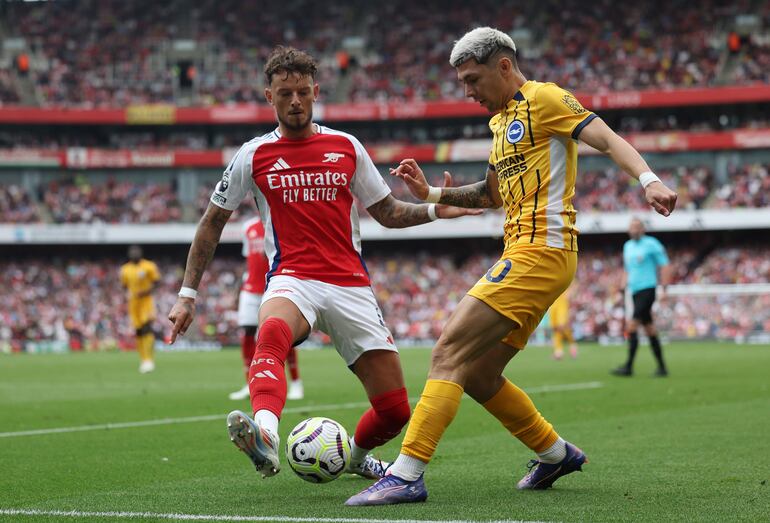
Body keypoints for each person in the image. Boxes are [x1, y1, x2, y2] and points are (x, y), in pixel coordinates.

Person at [346, 27, 677, 506]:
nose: (467, 92)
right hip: (525, 252)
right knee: (478, 372)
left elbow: (605, 138)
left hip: (540, 249)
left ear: (504, 66)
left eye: (472, 79)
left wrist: (649, 180)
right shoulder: (502, 124)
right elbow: (491, 194)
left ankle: (406, 473)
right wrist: (432, 195)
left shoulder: (545, 98)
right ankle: (554, 453)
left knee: (448, 352)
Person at [167, 46, 478, 482]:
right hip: (293, 278)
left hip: (350, 283)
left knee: (394, 410)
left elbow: (387, 212)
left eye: (301, 92)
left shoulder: (346, 146)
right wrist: (187, 295)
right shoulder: (252, 155)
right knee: (271, 332)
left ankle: (353, 459)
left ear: (315, 92)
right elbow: (211, 222)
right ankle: (267, 437)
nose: (294, 101)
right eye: (284, 93)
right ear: (268, 97)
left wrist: (432, 210)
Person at [229, 216, 304, 401]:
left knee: (281, 333)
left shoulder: (282, 219)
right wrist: (238, 290)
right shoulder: (248, 226)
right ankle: (249, 383)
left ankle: (295, 382)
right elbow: (249, 261)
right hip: (250, 289)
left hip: (274, 286)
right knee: (247, 334)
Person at [612, 218, 671, 377]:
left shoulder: (652, 244)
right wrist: (622, 289)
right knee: (649, 329)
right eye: (632, 227)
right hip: (635, 291)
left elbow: (664, 265)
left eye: (637, 227)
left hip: (648, 289)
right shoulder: (628, 246)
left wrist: (664, 288)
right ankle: (662, 368)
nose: (634, 230)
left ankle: (628, 367)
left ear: (643, 229)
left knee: (632, 326)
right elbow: (627, 270)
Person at [120, 245, 160, 373]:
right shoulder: (125, 269)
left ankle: (149, 359)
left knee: (147, 328)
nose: (134, 253)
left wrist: (145, 292)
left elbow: (157, 282)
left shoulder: (149, 266)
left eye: (136, 251)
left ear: (141, 253)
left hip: (146, 302)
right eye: (132, 252)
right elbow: (124, 286)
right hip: (133, 303)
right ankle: (143, 360)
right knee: (138, 331)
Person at [549, 285, 578, 360]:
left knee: (561, 326)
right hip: (553, 304)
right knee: (555, 328)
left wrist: (570, 294)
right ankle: (558, 352)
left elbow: (573, 288)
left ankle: (572, 344)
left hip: (562, 304)